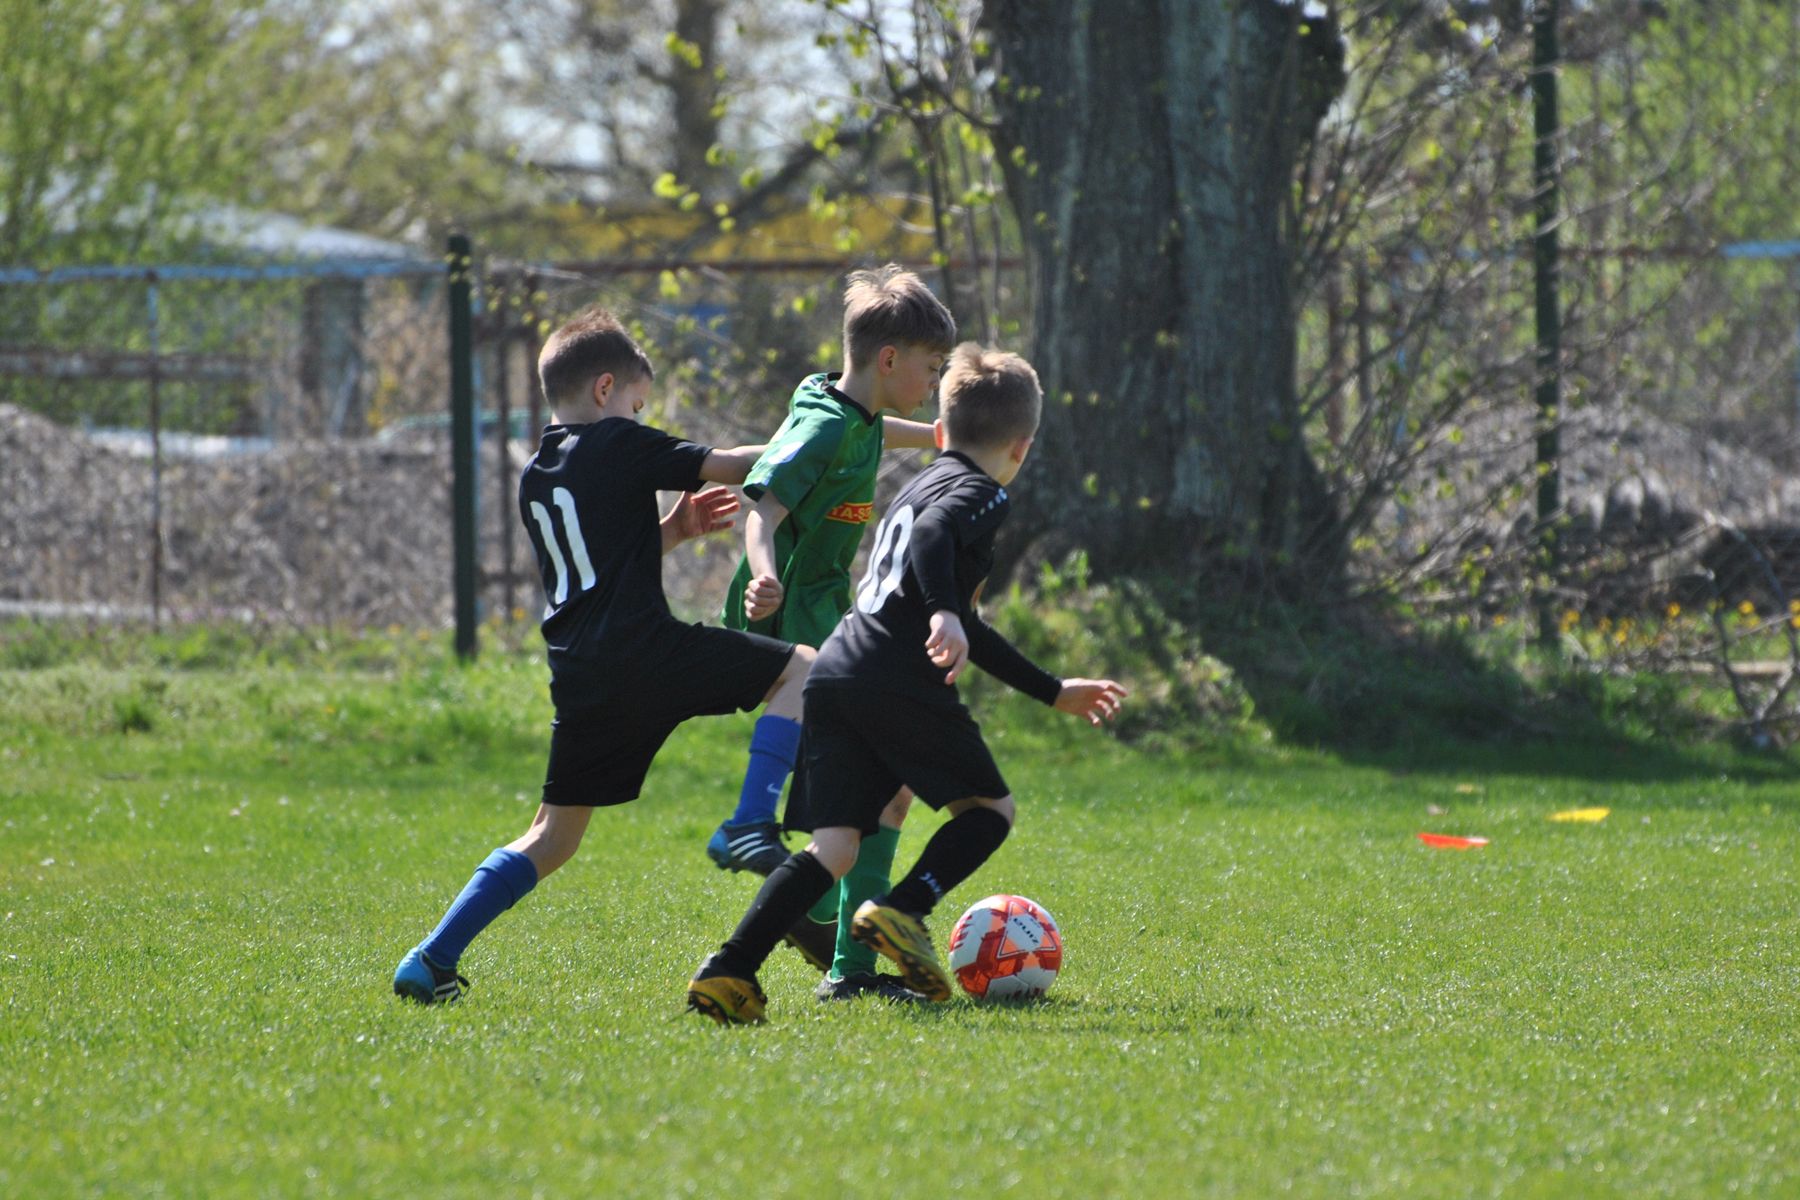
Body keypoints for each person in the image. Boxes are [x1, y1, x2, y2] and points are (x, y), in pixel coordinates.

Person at [686, 343, 1128, 1024]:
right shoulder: (979, 492)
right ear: (1023, 445)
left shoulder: (919, 482)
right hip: (893, 673)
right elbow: (933, 541)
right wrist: (946, 611)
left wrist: (1050, 688)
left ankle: (730, 970)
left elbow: (960, 612)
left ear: (942, 433)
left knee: (835, 847)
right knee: (989, 813)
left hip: (835, 669)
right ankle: (903, 909)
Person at [393, 306, 813, 1004]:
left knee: (553, 837)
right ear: (605, 389)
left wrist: (671, 531)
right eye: (638, 403)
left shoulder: (537, 473)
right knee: (803, 668)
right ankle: (750, 822)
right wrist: (818, 437)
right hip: (646, 650)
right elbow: (736, 466)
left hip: (582, 671)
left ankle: (431, 958)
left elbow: (595, 567)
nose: (640, 417)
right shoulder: (618, 442)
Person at [704, 265, 956, 1003]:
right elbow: (762, 511)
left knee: (885, 793)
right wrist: (761, 575)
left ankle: (841, 953)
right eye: (931, 369)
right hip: (797, 636)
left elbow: (894, 431)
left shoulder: (859, 415)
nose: (934, 380)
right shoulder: (820, 425)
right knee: (875, 794)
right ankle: (811, 912)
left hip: (835, 627)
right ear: (888, 360)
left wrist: (953, 436)